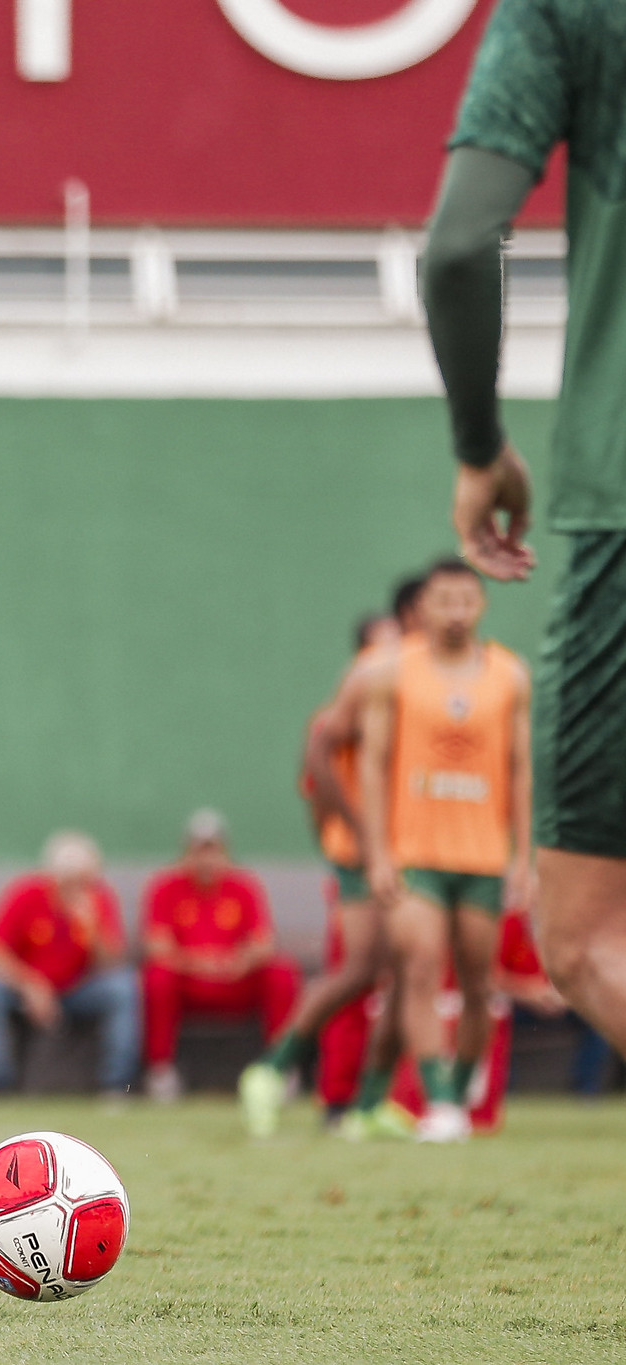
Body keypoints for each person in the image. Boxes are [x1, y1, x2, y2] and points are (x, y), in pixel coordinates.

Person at [419, 0, 626, 1058]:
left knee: (587, 935)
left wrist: (476, 446)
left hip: (614, 486)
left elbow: (458, 244)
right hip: (422, 857)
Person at [358, 558, 532, 1142]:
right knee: (422, 966)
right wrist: (378, 853)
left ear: (480, 605)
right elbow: (373, 764)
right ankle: (440, 1102)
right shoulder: (393, 672)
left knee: (481, 985)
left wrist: (524, 856)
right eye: (443, 600)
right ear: (422, 608)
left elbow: (521, 769)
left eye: (466, 600)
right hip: (415, 856)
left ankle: (457, 1093)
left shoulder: (510, 675)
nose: (455, 612)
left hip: (483, 858)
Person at [239, 586, 416, 1136]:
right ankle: (273, 1070)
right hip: (363, 856)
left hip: (416, 850)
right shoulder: (347, 707)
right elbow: (315, 777)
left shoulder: (418, 695)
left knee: (413, 974)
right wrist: (352, 840)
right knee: (360, 969)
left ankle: (369, 1102)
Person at [140, 810, 299, 1102]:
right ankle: (161, 1072)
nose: (206, 860)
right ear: (187, 852)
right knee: (157, 977)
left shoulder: (244, 886)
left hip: (235, 982)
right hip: (190, 984)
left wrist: (240, 961)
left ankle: (280, 1068)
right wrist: (201, 964)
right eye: (200, 850)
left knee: (281, 973)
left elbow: (263, 943)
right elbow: (157, 947)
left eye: (213, 850)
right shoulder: (165, 887)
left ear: (224, 852)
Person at [0, 831, 138, 1098]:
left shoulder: (99, 898)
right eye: (72, 881)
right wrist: (30, 984)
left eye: (86, 881)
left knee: (123, 988)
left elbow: (112, 963)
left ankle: (115, 1086)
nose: (79, 889)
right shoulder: (28, 893)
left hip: (77, 991)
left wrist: (93, 930)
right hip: (26, 990)